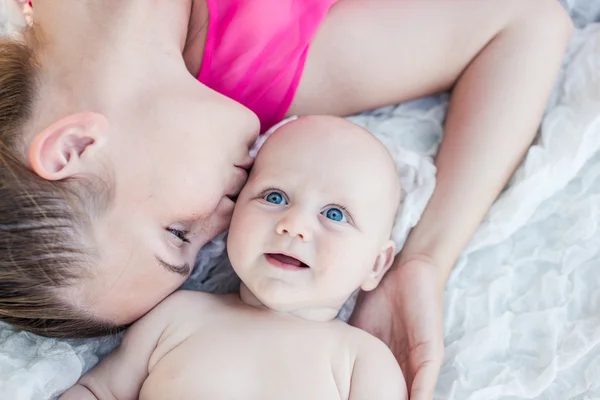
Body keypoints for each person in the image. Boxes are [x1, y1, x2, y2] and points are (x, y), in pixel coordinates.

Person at [0, 0, 572, 398]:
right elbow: (525, 21)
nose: (227, 220)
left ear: (74, 147)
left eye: (179, 232)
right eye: (199, 251)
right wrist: (425, 260)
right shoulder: (261, 73)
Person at [60, 116, 407, 400]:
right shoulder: (178, 316)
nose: (293, 226)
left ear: (376, 264)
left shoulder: (362, 362)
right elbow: (99, 390)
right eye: (275, 197)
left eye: (334, 215)